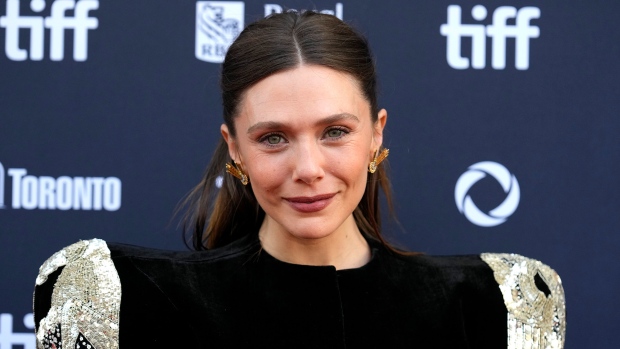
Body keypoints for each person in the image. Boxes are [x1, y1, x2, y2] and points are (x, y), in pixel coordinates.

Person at [33, 11, 566, 348]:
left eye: (335, 131)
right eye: (273, 138)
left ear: (376, 136)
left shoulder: (491, 305)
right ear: (234, 148)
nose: (308, 169)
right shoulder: (131, 300)